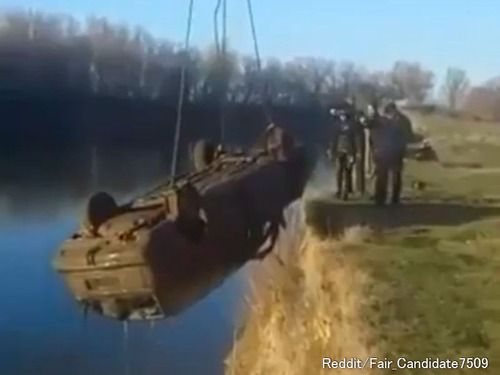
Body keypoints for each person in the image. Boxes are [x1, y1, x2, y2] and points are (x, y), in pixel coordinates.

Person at [370, 102, 414, 205]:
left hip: (390, 151)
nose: (389, 115)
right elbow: (409, 136)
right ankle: (387, 198)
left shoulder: (398, 120)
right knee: (387, 176)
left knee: (390, 176)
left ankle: (385, 198)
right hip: (389, 151)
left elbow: (408, 136)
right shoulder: (403, 120)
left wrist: (377, 147)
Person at [329, 108, 357, 200]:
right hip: (339, 151)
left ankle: (346, 191)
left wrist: (353, 153)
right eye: (341, 115)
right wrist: (331, 151)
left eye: (344, 115)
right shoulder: (335, 126)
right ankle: (339, 190)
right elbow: (333, 139)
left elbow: (354, 140)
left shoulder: (351, 126)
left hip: (349, 150)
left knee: (347, 171)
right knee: (339, 171)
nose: (343, 117)